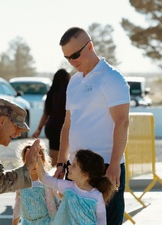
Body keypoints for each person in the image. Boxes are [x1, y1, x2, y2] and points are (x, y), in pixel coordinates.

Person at [54, 27, 130, 225]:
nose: (72, 61)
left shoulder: (112, 78)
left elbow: (122, 122)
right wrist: (62, 163)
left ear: (90, 46)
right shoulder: (74, 82)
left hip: (104, 167)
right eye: (67, 58)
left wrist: (114, 165)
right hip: (76, 168)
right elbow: (68, 125)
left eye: (75, 55)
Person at [38, 149, 115, 225]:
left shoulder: (97, 196)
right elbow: (45, 179)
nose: (69, 167)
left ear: (85, 175)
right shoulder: (68, 187)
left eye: (74, 166)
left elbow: (102, 220)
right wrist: (37, 159)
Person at [12, 141, 59, 225]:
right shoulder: (21, 182)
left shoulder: (46, 182)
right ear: (24, 162)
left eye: (36, 160)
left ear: (43, 161)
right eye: (29, 161)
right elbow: (18, 204)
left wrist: (54, 222)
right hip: (26, 222)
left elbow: (51, 205)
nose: (33, 164)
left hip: (45, 222)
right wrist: (14, 222)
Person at [32, 69, 70, 166]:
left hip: (51, 127)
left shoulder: (51, 93)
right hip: (64, 127)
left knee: (53, 154)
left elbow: (45, 113)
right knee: (66, 154)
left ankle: (51, 177)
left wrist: (39, 129)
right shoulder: (69, 93)